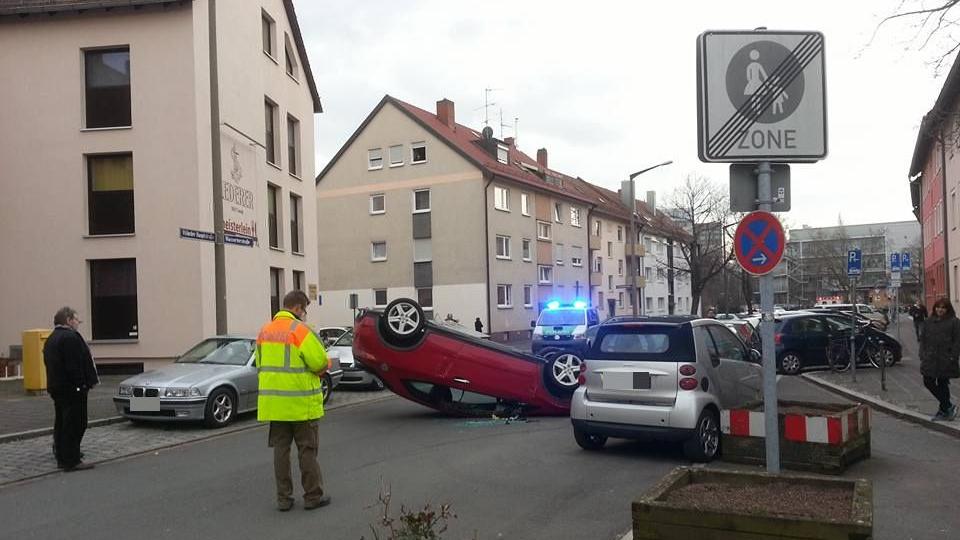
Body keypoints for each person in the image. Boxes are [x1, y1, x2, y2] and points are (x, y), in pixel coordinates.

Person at [256, 290, 331, 511]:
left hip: (274, 405)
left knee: (281, 451)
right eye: (304, 310)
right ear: (297, 308)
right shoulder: (301, 331)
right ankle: (312, 496)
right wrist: (324, 366)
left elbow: (260, 365)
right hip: (300, 405)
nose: (304, 314)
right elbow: (319, 363)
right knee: (307, 450)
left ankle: (284, 499)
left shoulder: (264, 331)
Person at [43, 306, 99, 472]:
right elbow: (74, 365)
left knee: (61, 422)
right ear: (68, 320)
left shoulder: (52, 338)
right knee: (75, 423)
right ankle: (71, 459)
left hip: (57, 387)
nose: (78, 323)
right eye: (76, 320)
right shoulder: (70, 337)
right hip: (72, 388)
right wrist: (81, 384)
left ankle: (62, 454)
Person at [919, 298, 960, 421]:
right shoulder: (928, 322)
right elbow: (923, 339)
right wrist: (922, 354)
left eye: (943, 307)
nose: (940, 310)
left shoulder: (954, 322)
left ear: (947, 309)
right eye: (938, 307)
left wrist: (953, 356)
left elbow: (957, 341)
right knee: (928, 381)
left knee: (942, 383)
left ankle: (943, 411)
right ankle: (948, 406)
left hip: (946, 358)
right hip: (930, 358)